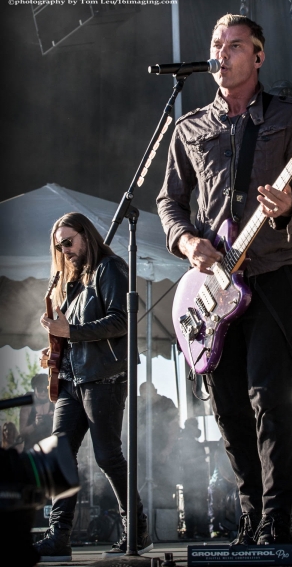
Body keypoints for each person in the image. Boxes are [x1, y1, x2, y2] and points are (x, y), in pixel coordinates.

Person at [157, 14, 292, 545]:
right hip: (213, 288)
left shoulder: (290, 115)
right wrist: (188, 243)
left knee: (268, 399)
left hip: (271, 273)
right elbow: (169, 202)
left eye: (234, 45)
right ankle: (251, 515)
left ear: (258, 56)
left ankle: (277, 521)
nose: (222, 54)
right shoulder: (189, 127)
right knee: (228, 407)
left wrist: (288, 206)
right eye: (217, 45)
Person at [33, 212, 152, 562]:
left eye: (68, 242)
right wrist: (55, 350)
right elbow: (74, 333)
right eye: (59, 246)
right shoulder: (74, 281)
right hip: (72, 379)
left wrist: (70, 333)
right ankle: (58, 537)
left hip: (104, 377)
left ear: (86, 235)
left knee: (107, 456)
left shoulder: (110, 268)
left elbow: (121, 319)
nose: (64, 250)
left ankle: (137, 529)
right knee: (60, 454)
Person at [137, 382, 180, 508]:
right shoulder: (140, 406)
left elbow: (174, 427)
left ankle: (164, 516)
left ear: (155, 391)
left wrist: (167, 450)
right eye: (143, 394)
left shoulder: (166, 403)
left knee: (164, 489)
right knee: (144, 491)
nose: (146, 397)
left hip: (163, 453)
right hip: (144, 454)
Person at [178, 417, 209, 539]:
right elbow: (185, 462)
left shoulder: (196, 444)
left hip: (198, 479)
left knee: (200, 505)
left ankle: (200, 532)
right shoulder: (184, 443)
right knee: (192, 506)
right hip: (190, 479)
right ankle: (194, 532)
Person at [19, 373, 54, 449]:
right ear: (34, 389)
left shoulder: (54, 404)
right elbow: (22, 433)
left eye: (46, 390)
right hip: (31, 448)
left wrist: (55, 420)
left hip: (50, 448)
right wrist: (35, 424)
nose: (43, 392)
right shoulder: (27, 406)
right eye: (40, 389)